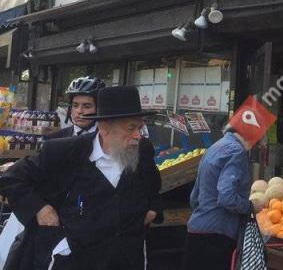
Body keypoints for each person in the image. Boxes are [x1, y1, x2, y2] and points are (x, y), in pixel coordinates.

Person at [0, 86, 163, 270]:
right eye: (131, 128)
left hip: (125, 259)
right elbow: (12, 179)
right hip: (73, 259)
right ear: (104, 128)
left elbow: (153, 187)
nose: (137, 136)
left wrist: (153, 210)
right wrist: (40, 208)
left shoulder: (143, 150)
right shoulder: (63, 151)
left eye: (139, 127)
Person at [181, 126, 260, 270]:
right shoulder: (237, 151)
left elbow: (194, 197)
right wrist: (250, 206)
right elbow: (227, 197)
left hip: (196, 229)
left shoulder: (213, 148)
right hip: (218, 235)